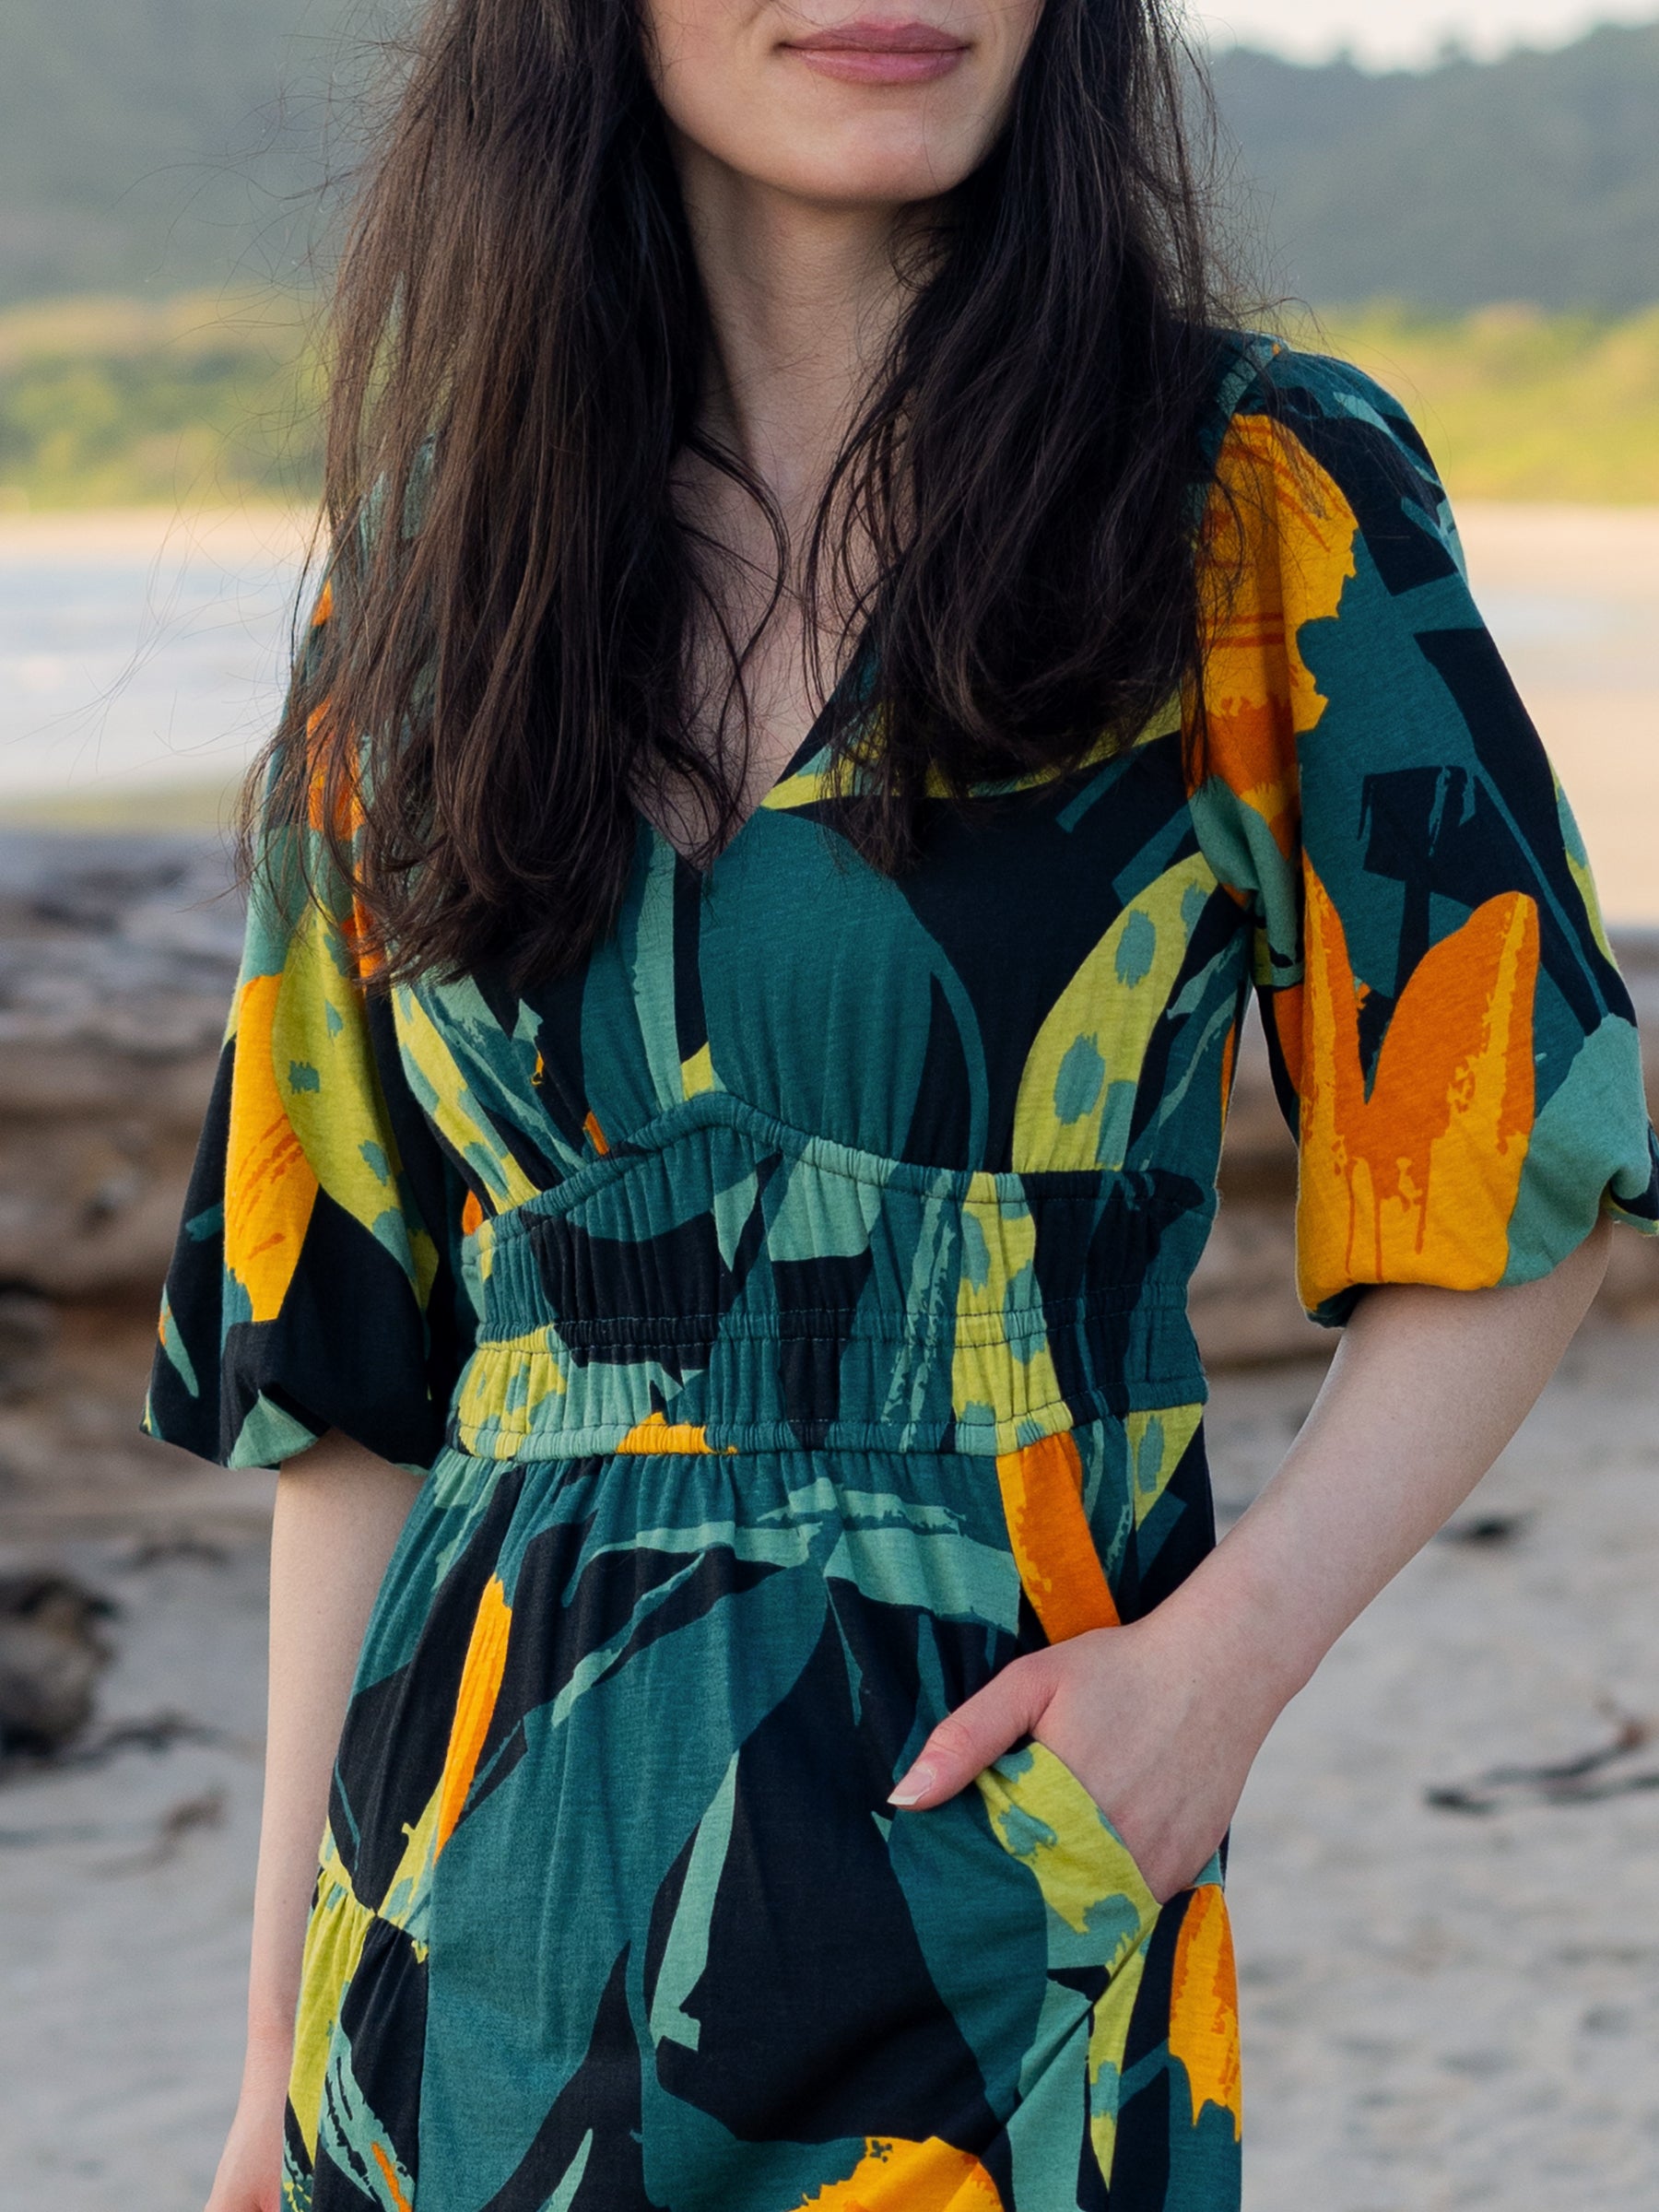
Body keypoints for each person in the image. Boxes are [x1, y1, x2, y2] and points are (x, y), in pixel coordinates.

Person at [146, 3, 1659, 2208]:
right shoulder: (429, 576)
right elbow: (356, 1381)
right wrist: (274, 2065)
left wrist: (1217, 1678)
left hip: (990, 1905)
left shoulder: (1247, 497)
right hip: (445, 1950)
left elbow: (1519, 1158)